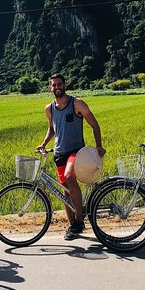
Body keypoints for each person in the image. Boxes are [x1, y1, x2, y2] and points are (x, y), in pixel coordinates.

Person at [37, 74, 106, 240]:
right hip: (59, 153)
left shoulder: (77, 103)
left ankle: (80, 220)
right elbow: (52, 129)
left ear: (65, 85)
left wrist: (98, 146)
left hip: (76, 151)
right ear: (50, 88)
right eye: (53, 85)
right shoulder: (49, 108)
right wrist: (44, 143)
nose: (57, 87)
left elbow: (94, 124)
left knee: (69, 176)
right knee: (65, 192)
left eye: (59, 84)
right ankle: (73, 226)